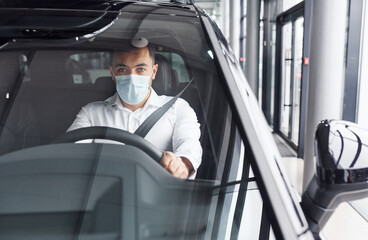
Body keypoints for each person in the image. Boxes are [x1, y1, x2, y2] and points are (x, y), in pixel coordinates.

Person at [68, 44, 202, 179]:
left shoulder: (178, 108)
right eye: (122, 69)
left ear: (154, 72)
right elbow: (69, 152)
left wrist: (181, 165)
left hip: (157, 194)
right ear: (112, 73)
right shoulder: (91, 113)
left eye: (141, 69)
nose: (132, 77)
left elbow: (189, 144)